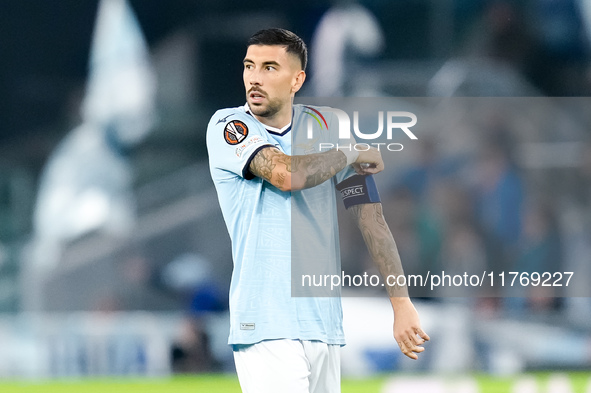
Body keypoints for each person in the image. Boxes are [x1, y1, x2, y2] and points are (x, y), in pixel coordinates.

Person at [206, 28, 428, 393]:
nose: (255, 78)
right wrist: (352, 151)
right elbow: (286, 174)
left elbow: (370, 218)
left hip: (324, 327)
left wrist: (401, 303)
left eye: (269, 67)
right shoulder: (230, 125)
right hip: (266, 326)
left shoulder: (328, 125)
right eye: (249, 66)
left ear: (297, 79)